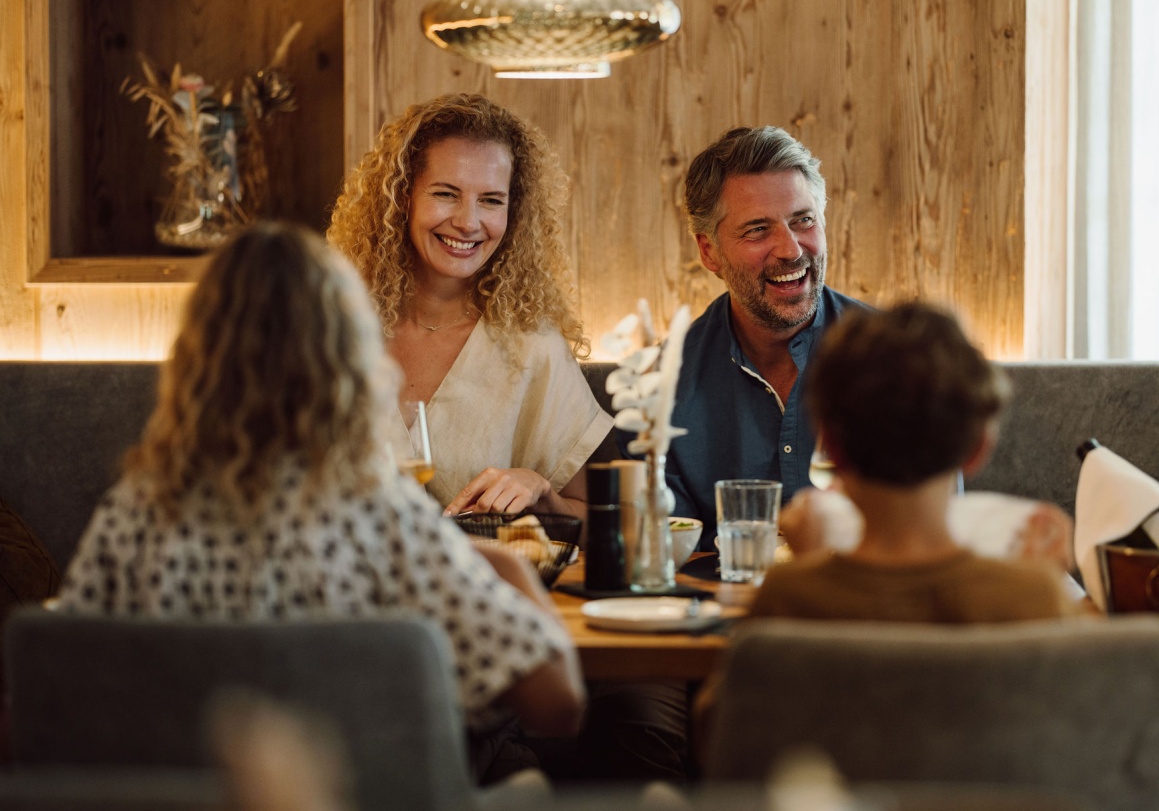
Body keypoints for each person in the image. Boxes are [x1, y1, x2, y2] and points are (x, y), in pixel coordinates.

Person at [57, 224, 585, 780]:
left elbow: (55, 691)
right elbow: (558, 702)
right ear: (346, 360)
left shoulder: (136, 510)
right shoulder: (379, 513)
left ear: (198, 356)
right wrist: (502, 563)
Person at [327, 93, 612, 518]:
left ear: (513, 213)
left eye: (491, 200)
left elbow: (606, 520)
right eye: (446, 193)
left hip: (480, 582)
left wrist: (542, 493)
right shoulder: (329, 332)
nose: (468, 221)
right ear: (402, 197)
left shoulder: (532, 346)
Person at [748, 301, 1080, 622]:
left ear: (832, 448)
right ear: (978, 449)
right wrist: (1043, 579)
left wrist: (811, 563)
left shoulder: (787, 596)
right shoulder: (1031, 596)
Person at [656, 125, 867, 549]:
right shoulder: (663, 382)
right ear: (709, 251)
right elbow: (670, 553)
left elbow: (932, 537)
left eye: (803, 220)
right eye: (757, 230)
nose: (790, 249)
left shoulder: (898, 361)